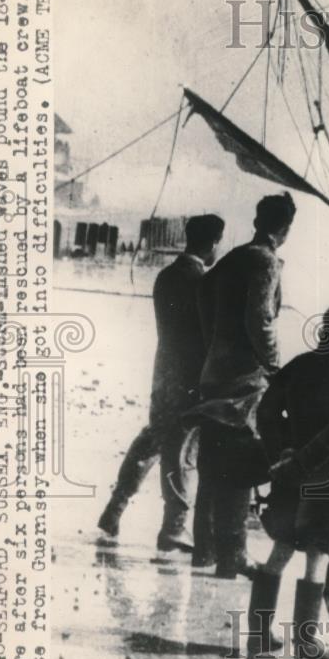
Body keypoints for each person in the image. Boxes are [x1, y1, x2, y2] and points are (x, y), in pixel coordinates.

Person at [247, 301, 329, 659]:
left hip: (288, 475)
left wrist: (282, 452)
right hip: (326, 481)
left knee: (281, 549)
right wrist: (302, 463)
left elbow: (266, 411)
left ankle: (257, 639)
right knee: (318, 555)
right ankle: (306, 645)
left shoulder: (299, 366)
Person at [97, 214, 225, 551]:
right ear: (213, 243)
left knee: (153, 438)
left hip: (164, 370)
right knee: (181, 450)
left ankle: (115, 508)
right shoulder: (204, 282)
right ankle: (174, 527)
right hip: (190, 377)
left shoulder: (166, 276)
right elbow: (206, 335)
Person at [190, 192, 297, 577]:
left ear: (257, 220)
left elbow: (202, 294)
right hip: (243, 380)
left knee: (212, 462)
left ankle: (203, 549)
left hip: (214, 371)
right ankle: (232, 554)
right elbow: (260, 321)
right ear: (284, 228)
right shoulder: (265, 261)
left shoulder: (233, 257)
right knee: (236, 464)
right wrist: (275, 368)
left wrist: (214, 341)